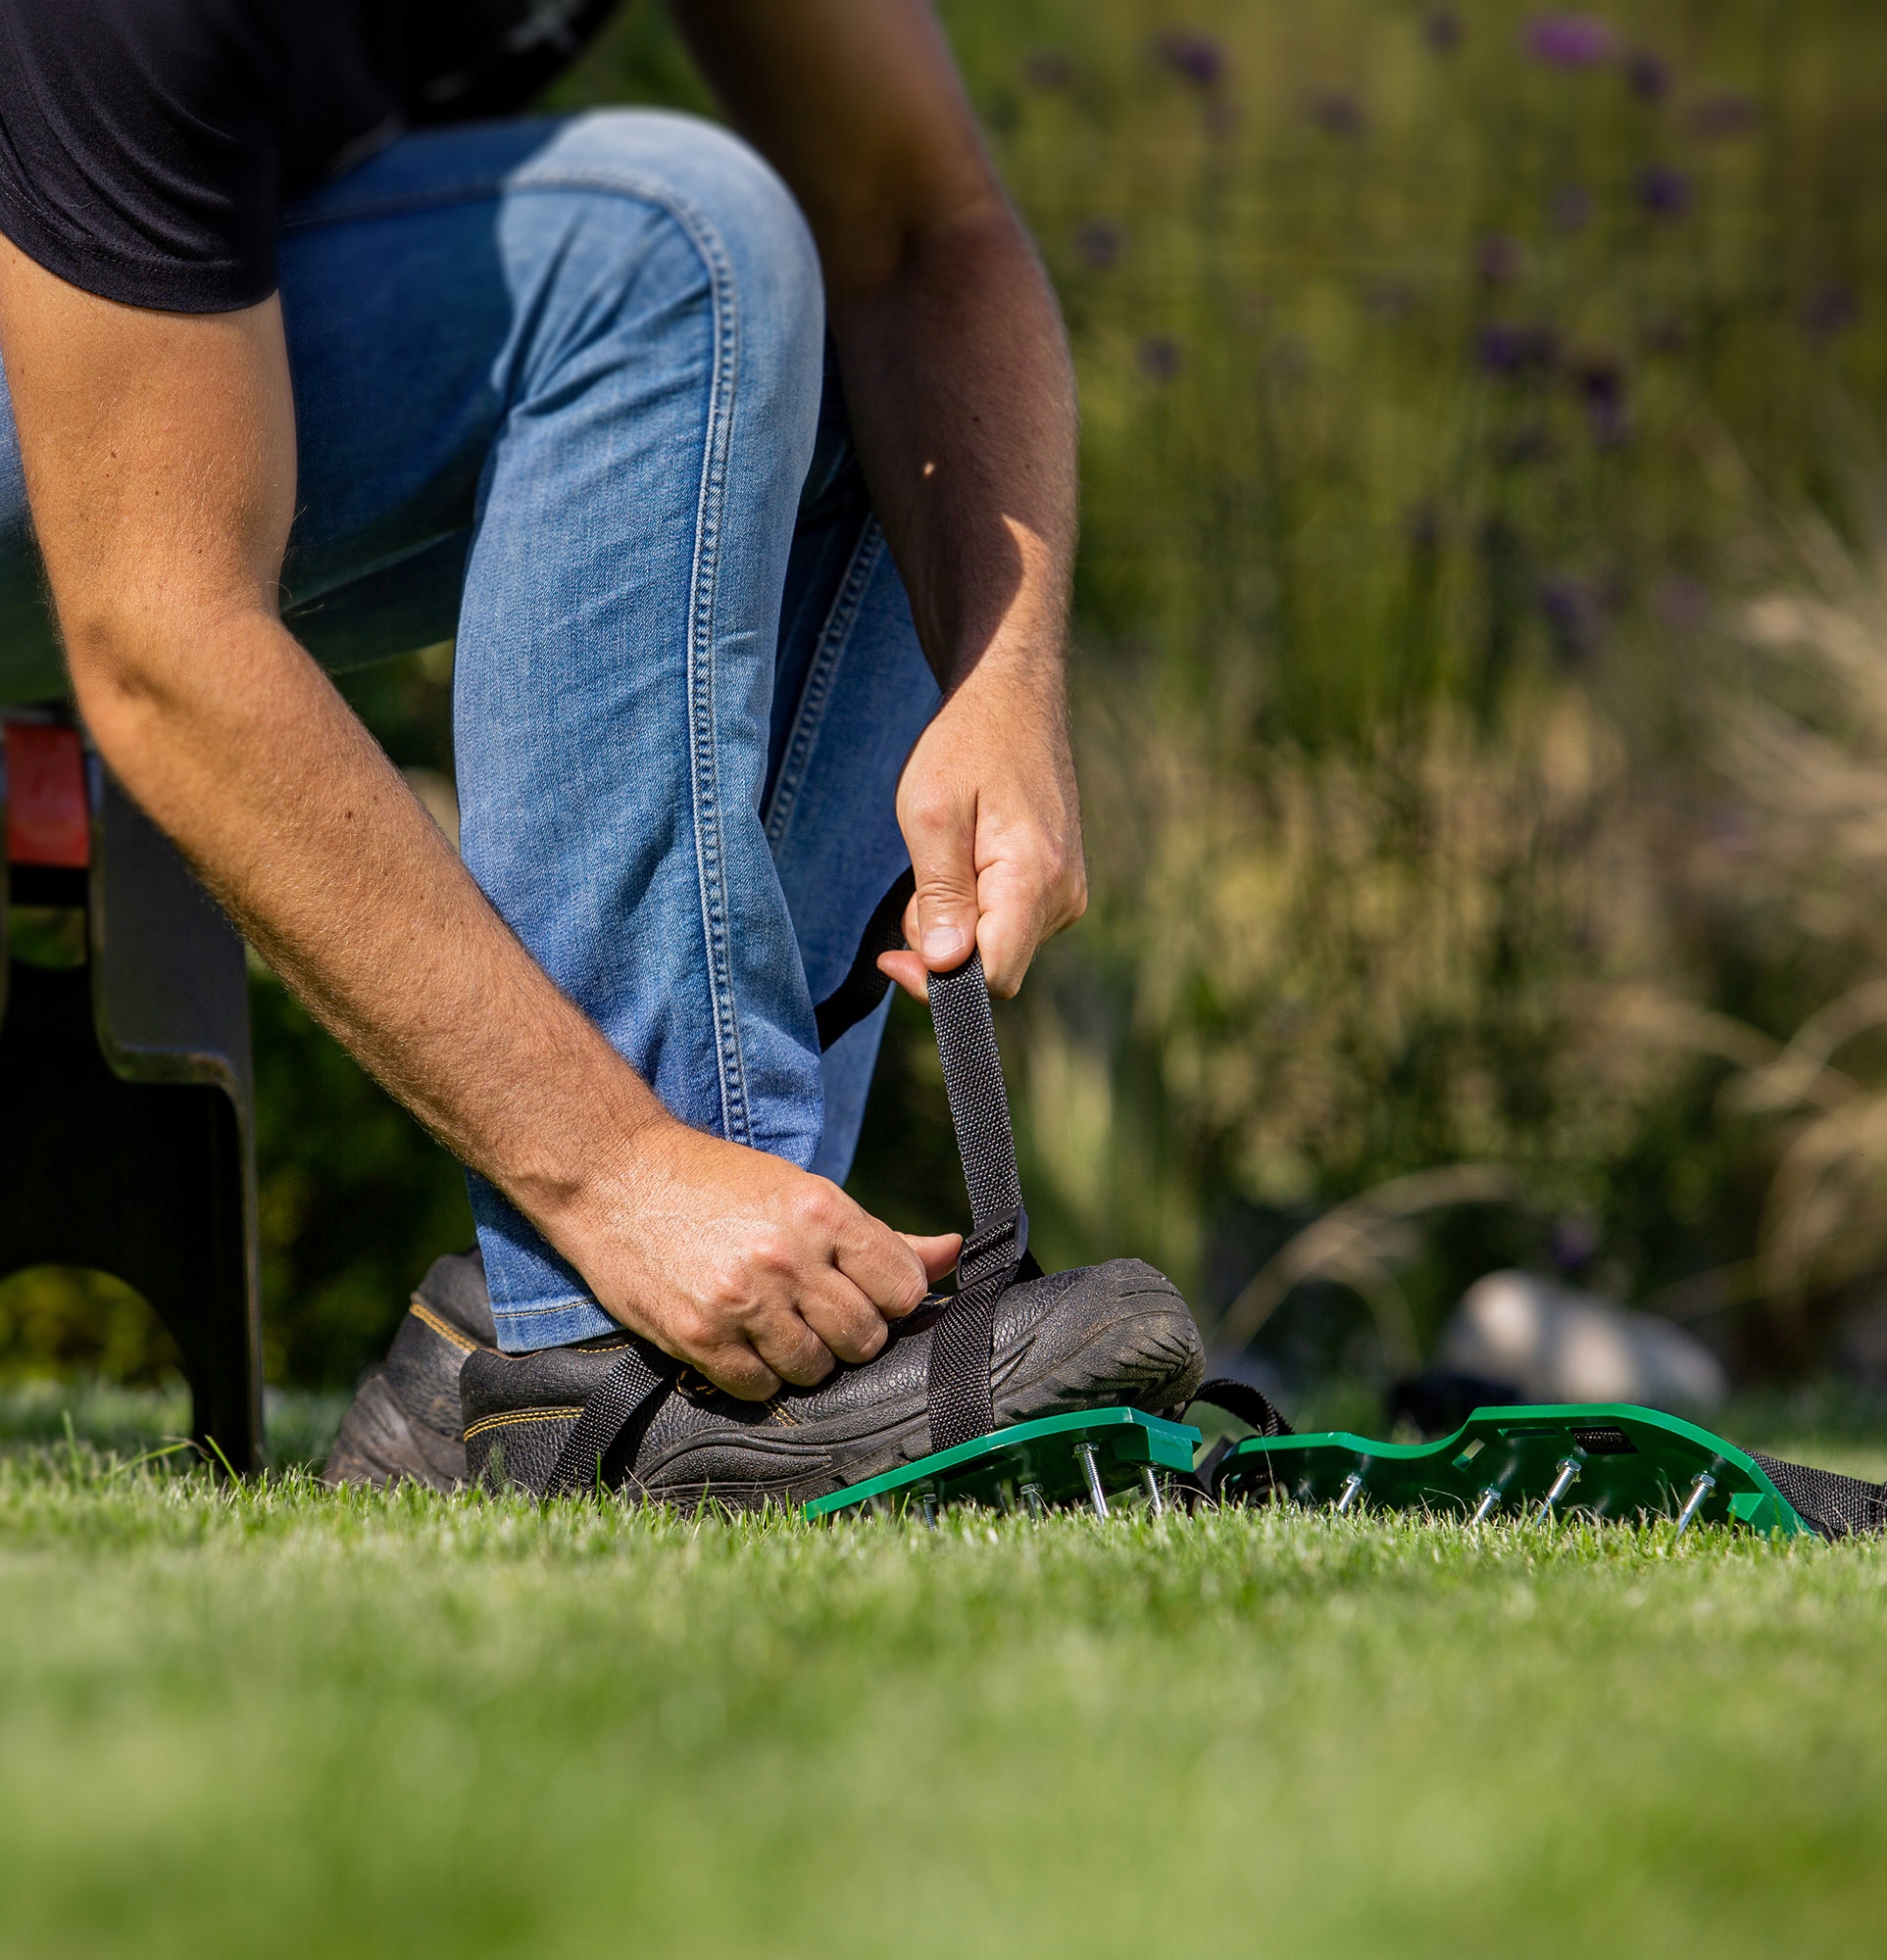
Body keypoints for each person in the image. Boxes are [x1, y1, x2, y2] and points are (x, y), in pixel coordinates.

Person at [0, 0, 1202, 1499]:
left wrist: (1003, 678)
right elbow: (159, 640)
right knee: (670, 249)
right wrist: (614, 1174)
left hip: (171, 317)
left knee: (870, 362)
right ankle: (638, 1354)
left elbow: (917, 225)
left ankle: (611, 1340)